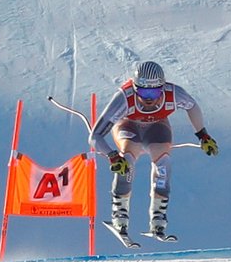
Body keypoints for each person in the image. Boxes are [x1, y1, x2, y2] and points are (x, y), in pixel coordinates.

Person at [89, 60, 219, 237]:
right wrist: (112, 156)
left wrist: (203, 135)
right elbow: (95, 136)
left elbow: (192, 106)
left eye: (154, 91)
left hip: (156, 128)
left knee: (163, 163)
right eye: (143, 91)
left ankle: (158, 217)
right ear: (135, 88)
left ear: (162, 87)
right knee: (127, 161)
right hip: (128, 127)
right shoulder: (124, 97)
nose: (149, 98)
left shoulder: (173, 93)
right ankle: (120, 214)